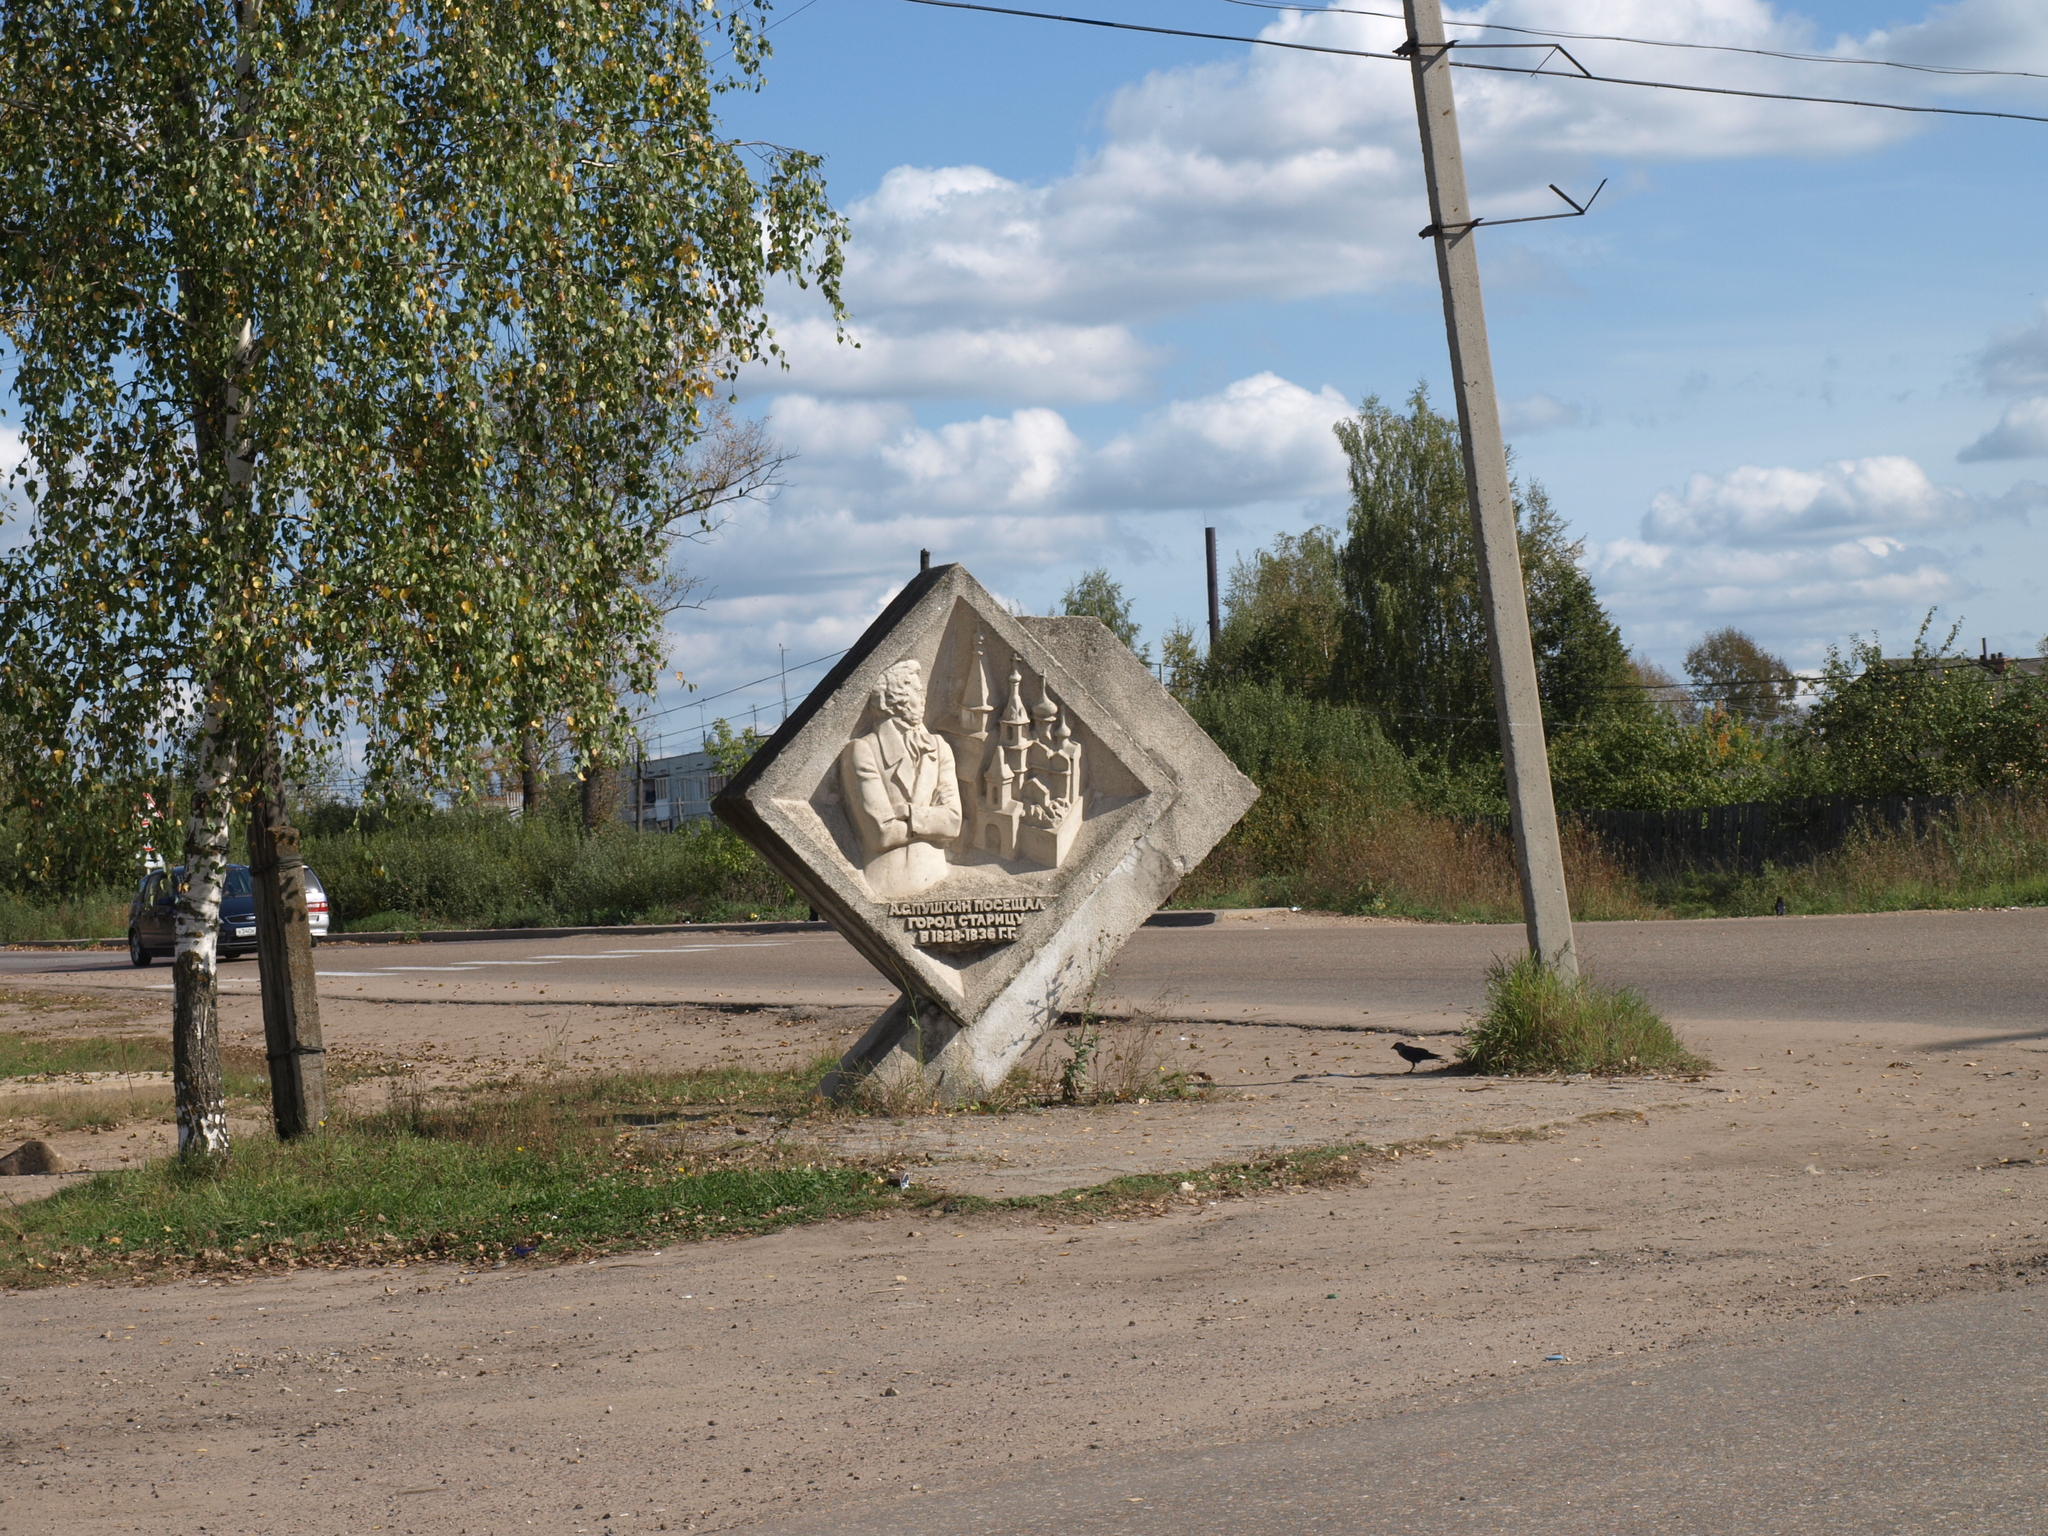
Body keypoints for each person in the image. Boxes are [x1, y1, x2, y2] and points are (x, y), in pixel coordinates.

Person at [840, 658, 961, 898]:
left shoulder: (939, 747)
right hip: (887, 883)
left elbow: (953, 822)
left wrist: (906, 813)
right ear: (896, 699)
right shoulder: (864, 749)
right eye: (918, 691)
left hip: (937, 878)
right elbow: (881, 834)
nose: (924, 697)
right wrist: (930, 819)